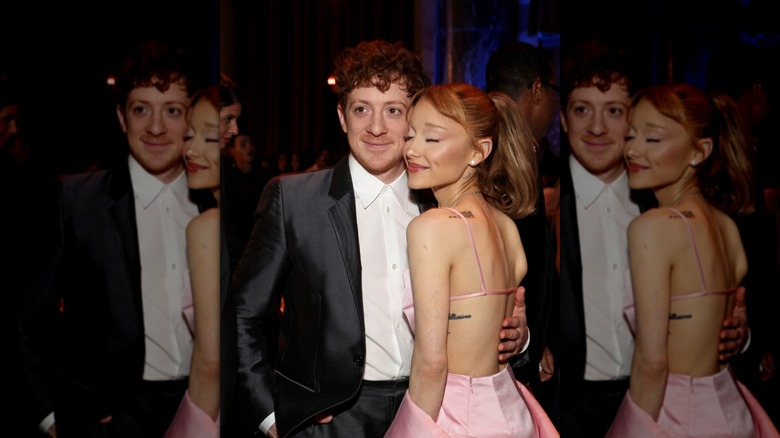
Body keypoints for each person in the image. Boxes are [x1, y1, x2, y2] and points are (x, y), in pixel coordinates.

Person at [232, 39, 529, 438]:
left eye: (393, 111)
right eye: (361, 110)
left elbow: (487, 313)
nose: (375, 127)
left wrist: (517, 337)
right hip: (331, 420)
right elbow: (242, 314)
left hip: (437, 411)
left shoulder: (444, 204)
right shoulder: (294, 200)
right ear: (342, 117)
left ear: (414, 118)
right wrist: (271, 415)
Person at [557, 40, 750, 437]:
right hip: (567, 408)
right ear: (562, 119)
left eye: (614, 112)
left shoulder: (665, 208)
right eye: (582, 110)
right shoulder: (537, 206)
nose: (596, 127)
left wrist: (739, 335)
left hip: (658, 403)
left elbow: (732, 303)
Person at [16, 41, 205, 438]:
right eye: (141, 109)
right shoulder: (76, 201)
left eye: (172, 110)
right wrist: (50, 416)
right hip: (109, 418)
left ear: (190, 119)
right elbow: (27, 318)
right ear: (121, 117)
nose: (155, 127)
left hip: (204, 409)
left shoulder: (214, 204)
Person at [383, 82, 557, 437]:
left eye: (432, 139)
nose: (412, 150)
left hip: (454, 415)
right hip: (510, 410)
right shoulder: (507, 226)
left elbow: (432, 362)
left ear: (479, 151)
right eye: (412, 134)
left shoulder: (431, 227)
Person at [606, 83, 778, 436]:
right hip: (729, 408)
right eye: (632, 135)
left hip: (673, 414)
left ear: (699, 151)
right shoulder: (727, 225)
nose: (633, 150)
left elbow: (653, 361)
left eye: (652, 139)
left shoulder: (652, 227)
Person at [486, 40, 559, 394]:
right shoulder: (497, 150)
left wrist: (536, 338)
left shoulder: (514, 146)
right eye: (554, 93)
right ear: (537, 90)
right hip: (501, 358)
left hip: (519, 345)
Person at [163, 86, 221, 438]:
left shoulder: (206, 226)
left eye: (209, 138)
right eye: (188, 135)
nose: (191, 149)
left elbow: (210, 362)